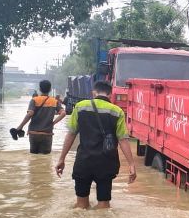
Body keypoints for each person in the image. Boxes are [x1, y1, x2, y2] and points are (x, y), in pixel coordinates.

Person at [55, 81, 136, 209]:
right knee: (104, 205)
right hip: (106, 163)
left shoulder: (80, 107)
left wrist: (61, 159)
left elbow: (71, 134)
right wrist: (131, 164)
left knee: (81, 205)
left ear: (94, 93)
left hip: (84, 161)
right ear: (110, 94)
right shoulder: (117, 111)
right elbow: (123, 140)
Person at [16, 80, 66, 154]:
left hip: (34, 133)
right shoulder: (54, 101)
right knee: (45, 158)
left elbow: (30, 114)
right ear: (50, 89)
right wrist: (53, 123)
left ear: (39, 89)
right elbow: (63, 113)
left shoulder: (34, 100)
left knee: (33, 157)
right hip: (47, 133)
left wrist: (20, 126)